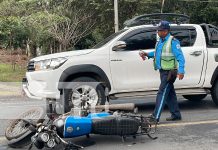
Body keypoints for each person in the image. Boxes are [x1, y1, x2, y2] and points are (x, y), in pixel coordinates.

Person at [139, 20, 185, 123]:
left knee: (162, 93)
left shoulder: (173, 41)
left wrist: (181, 71)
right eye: (158, 30)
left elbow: (180, 57)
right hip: (163, 71)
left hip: (170, 72)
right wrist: (147, 54)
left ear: (166, 31)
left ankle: (155, 117)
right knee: (169, 94)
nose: (158, 32)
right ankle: (176, 114)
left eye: (160, 30)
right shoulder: (161, 41)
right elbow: (158, 53)